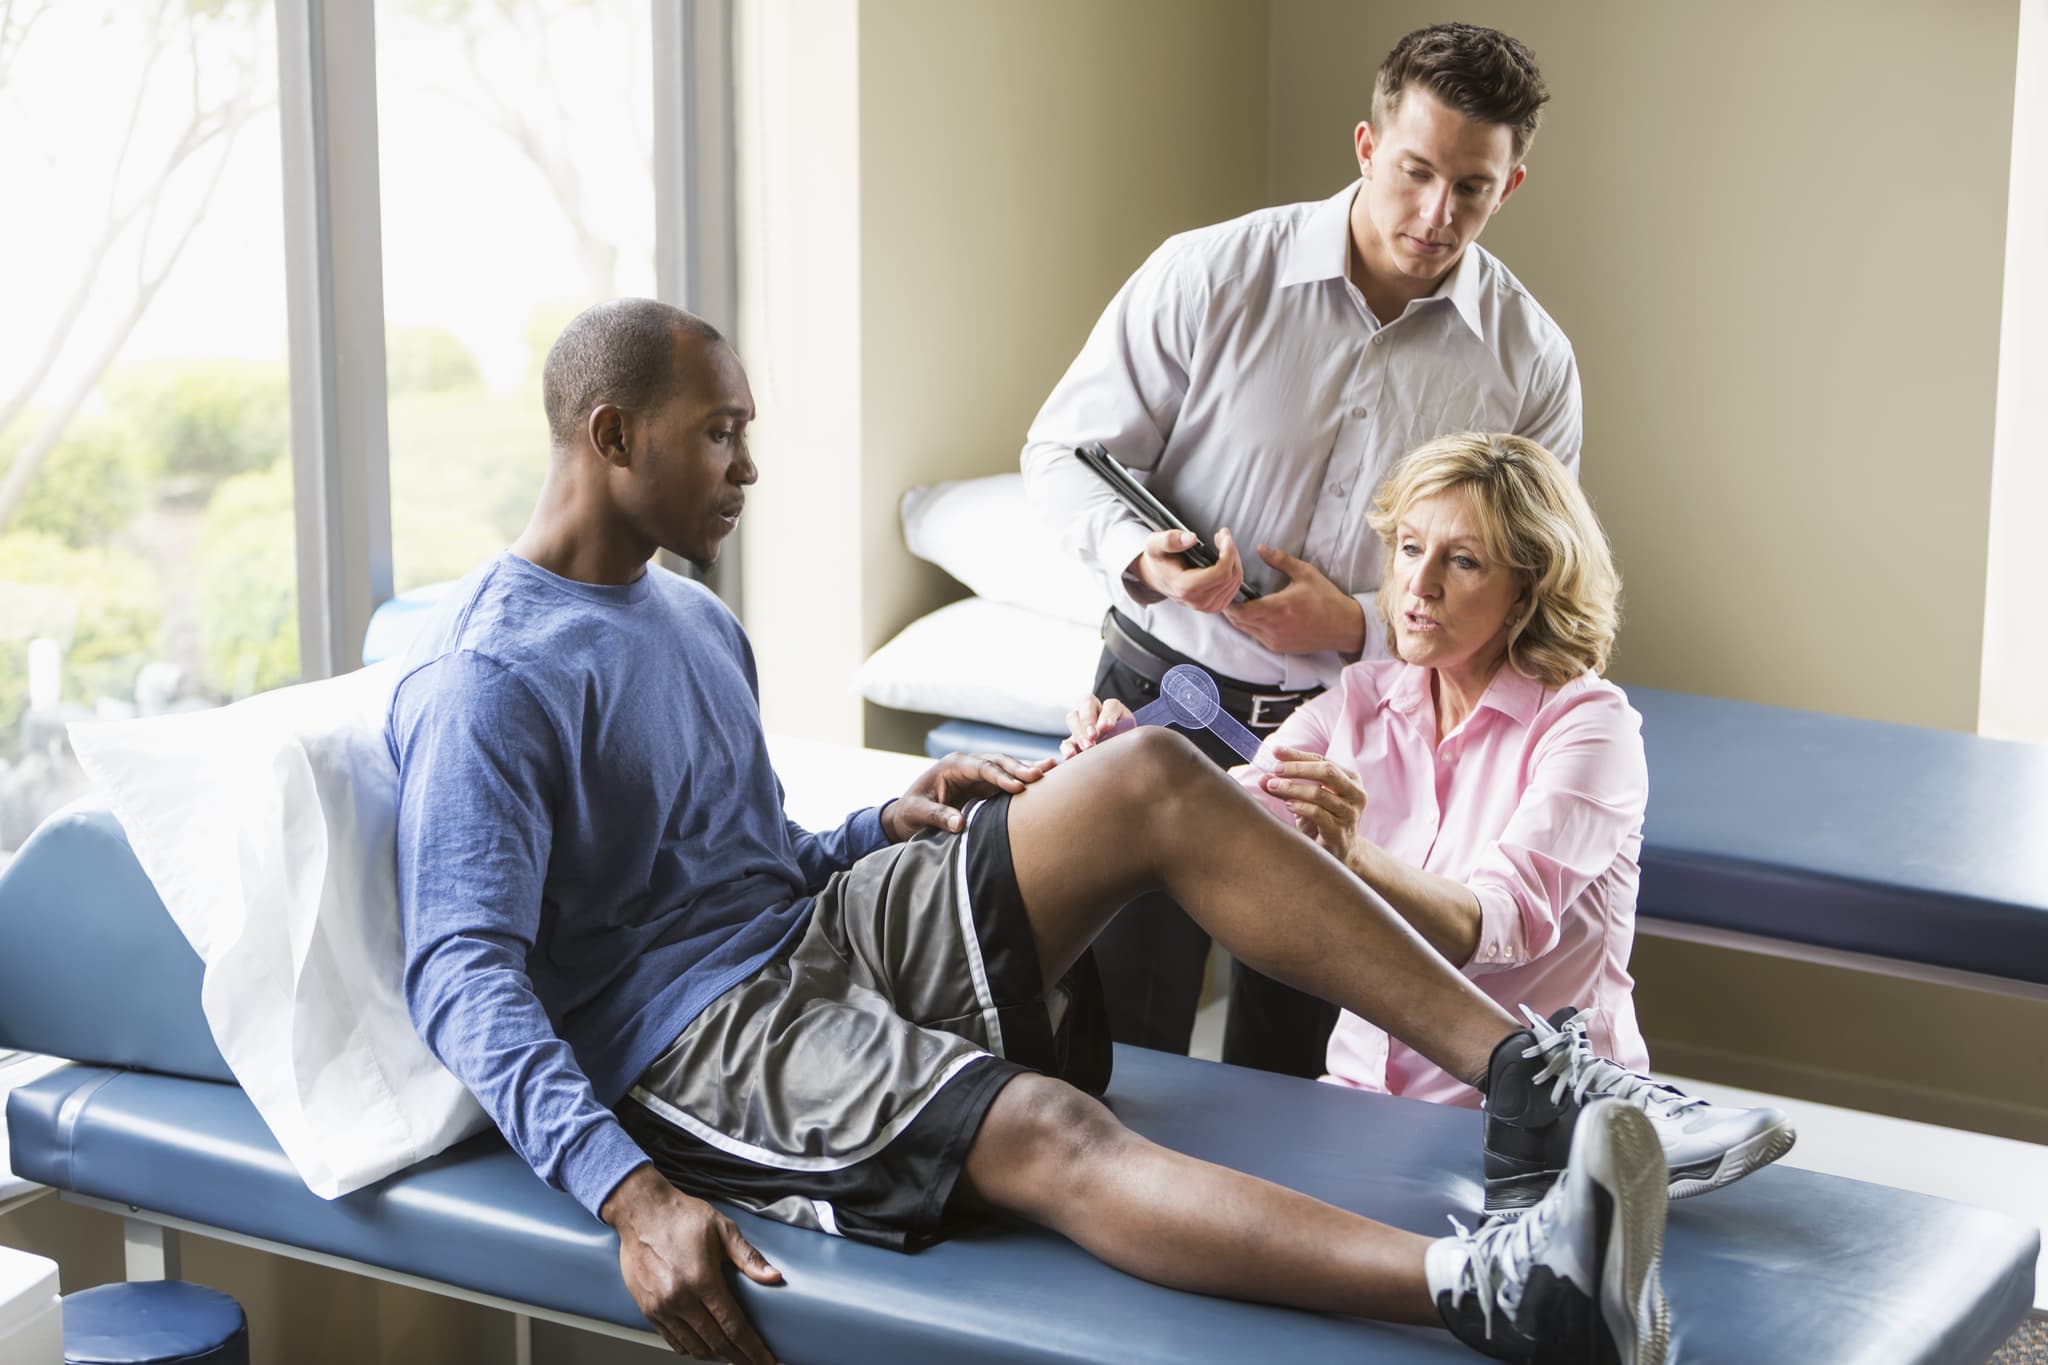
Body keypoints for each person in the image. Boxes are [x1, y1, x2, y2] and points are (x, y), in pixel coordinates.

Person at [389, 299, 1784, 1364]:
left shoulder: (692, 618)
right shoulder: (493, 677)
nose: (748, 463)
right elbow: (462, 977)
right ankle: (1497, 1291)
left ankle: (1534, 1082)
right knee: (1051, 1124)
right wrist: (631, 1199)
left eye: (746, 428)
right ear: (610, 436)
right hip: (701, 1040)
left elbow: (750, 863)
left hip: (813, 932)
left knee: (1151, 773)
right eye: (718, 432)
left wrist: (879, 822)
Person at [1021, 22, 1584, 1079]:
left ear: (1508, 188)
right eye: (1415, 172)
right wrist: (1144, 557)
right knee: (1113, 1058)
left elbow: (1529, 593)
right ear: (1367, 147)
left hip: (1354, 752)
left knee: (1302, 1074)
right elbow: (1058, 453)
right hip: (1155, 716)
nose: (1435, 215)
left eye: (1471, 187)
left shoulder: (1530, 365)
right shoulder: (1207, 274)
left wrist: (1359, 623)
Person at [1065, 437, 1794, 1210]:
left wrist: (1354, 854)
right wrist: (1114, 768)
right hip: (1356, 1106)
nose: (1419, 584)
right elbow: (1226, 825)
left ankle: (1626, 1118)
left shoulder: (1589, 726)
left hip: (1538, 1133)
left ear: (1528, 590)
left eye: (1464, 561)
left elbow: (1494, 926)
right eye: (1410, 548)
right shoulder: (1359, 700)